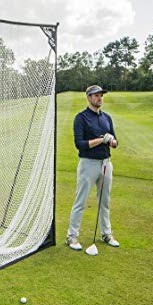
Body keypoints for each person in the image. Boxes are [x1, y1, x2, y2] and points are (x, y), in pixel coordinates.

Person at [66, 85, 120, 253]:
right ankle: (72, 236)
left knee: (105, 202)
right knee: (80, 201)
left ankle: (106, 234)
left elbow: (115, 142)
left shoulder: (107, 118)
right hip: (88, 164)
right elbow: (80, 144)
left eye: (101, 95)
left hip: (106, 164)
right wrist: (101, 140)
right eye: (96, 95)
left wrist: (111, 141)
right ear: (89, 97)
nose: (99, 98)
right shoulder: (81, 118)